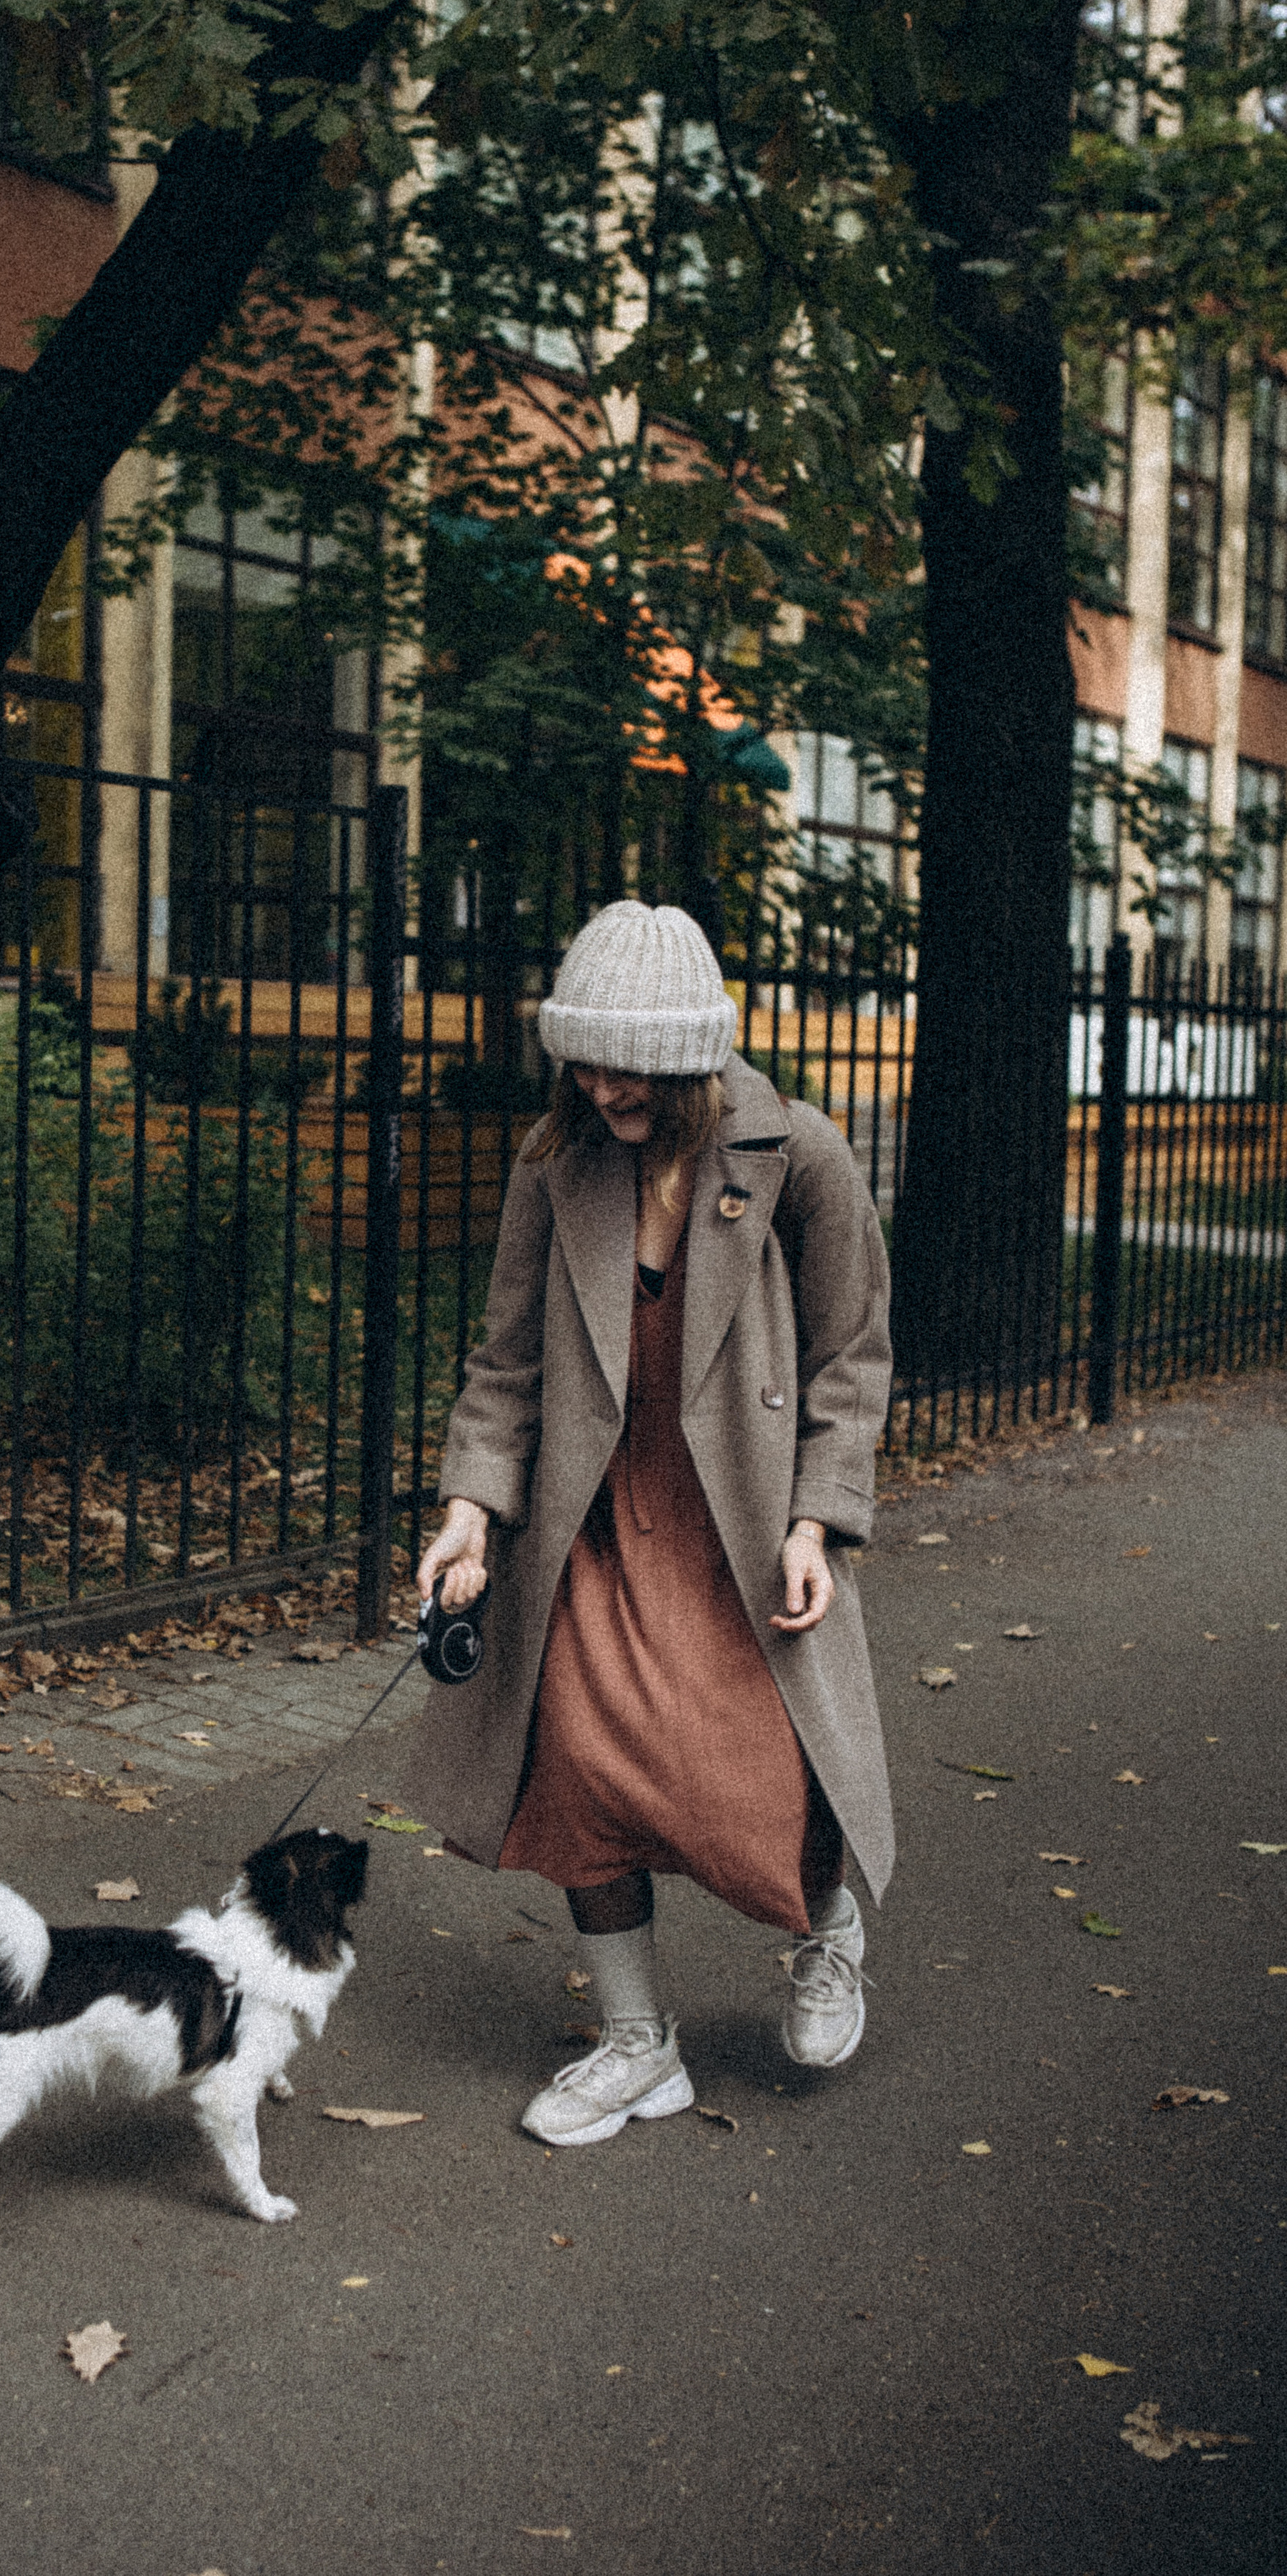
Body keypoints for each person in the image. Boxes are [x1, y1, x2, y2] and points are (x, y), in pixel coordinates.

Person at [405, 901, 894, 2148]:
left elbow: (850, 1361)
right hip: (593, 1524)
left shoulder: (803, 1160)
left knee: (760, 1777)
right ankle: (637, 2044)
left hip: (737, 1525)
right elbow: (506, 1362)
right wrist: (470, 1508)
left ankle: (826, 1931)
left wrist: (816, 1523)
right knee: (577, 1775)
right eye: (585, 1056)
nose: (604, 1084)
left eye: (632, 1063)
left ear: (695, 1057)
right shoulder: (555, 1163)